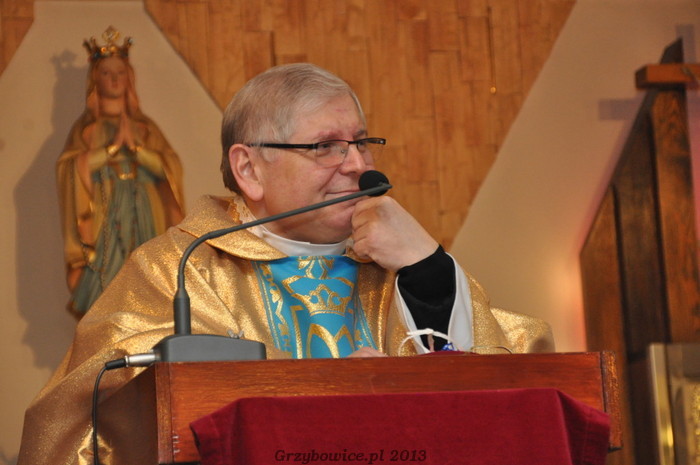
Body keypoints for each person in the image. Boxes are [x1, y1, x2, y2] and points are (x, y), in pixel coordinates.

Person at [19, 63, 553, 465]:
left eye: (362, 144)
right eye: (326, 147)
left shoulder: (400, 260)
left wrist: (428, 269)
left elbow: (517, 386)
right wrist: (329, 390)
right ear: (249, 169)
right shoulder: (179, 267)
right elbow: (95, 406)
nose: (358, 165)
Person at [57, 27, 185, 317]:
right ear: (95, 79)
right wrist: (112, 149)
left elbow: (170, 168)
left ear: (129, 78)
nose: (114, 79)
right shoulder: (85, 130)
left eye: (120, 73)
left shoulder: (146, 128)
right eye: (106, 73)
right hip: (105, 213)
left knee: (148, 273)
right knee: (108, 276)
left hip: (145, 210)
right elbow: (69, 169)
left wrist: (138, 150)